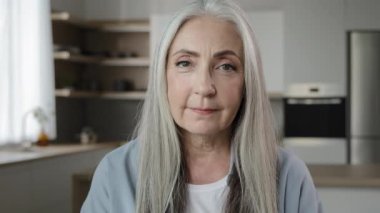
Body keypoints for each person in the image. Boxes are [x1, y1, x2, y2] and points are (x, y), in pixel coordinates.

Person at [81, 0, 323, 212]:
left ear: (247, 82)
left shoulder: (289, 176)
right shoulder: (116, 173)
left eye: (226, 66)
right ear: (162, 77)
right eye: (185, 63)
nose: (205, 87)